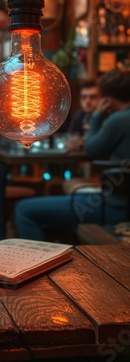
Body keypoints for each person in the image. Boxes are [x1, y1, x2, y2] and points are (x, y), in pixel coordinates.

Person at [15, 69, 130, 241]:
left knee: (24, 210)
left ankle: (40, 263)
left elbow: (91, 150)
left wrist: (97, 116)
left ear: (107, 99)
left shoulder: (119, 119)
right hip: (119, 201)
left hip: (115, 206)